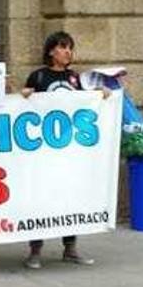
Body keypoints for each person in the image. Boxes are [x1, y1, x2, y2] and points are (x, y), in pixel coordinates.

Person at [21, 31, 105, 269]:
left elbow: (88, 101)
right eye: (62, 47)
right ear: (51, 51)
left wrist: (102, 95)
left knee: (70, 196)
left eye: (70, 48)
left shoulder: (76, 79)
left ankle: (70, 247)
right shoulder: (38, 77)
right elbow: (22, 106)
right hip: (43, 152)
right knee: (41, 198)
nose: (68, 52)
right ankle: (35, 249)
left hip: (70, 151)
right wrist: (24, 95)